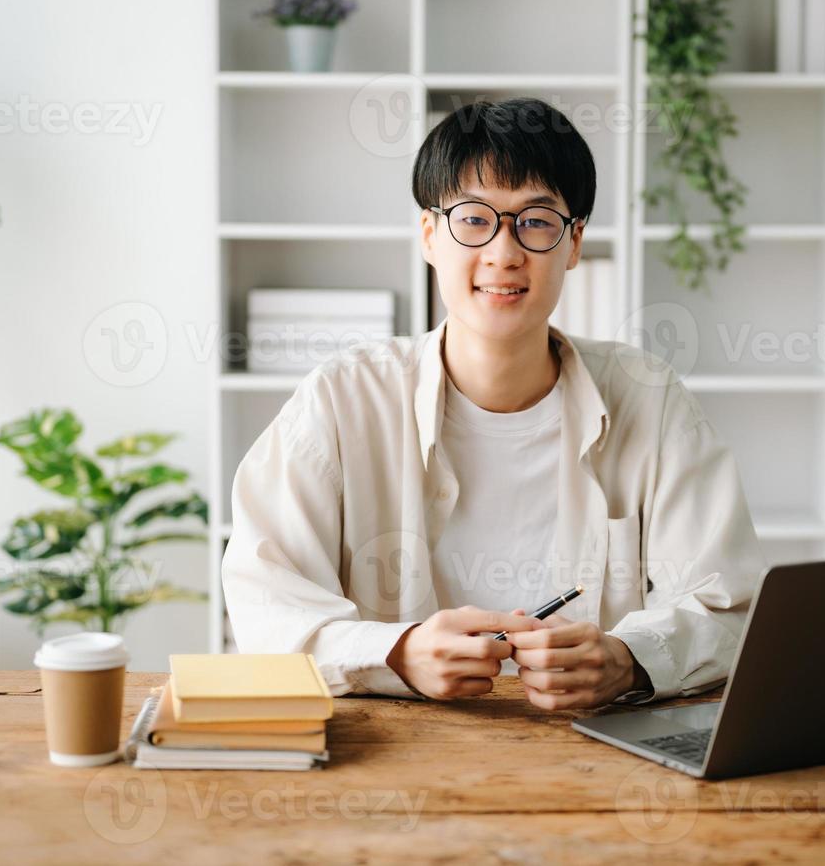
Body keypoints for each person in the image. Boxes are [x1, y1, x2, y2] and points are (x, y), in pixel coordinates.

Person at [222, 96, 763, 710]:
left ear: (575, 243)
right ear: (429, 235)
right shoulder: (343, 398)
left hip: (593, 760)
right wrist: (395, 652)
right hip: (390, 761)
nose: (504, 253)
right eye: (474, 219)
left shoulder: (649, 398)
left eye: (536, 221)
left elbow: (732, 607)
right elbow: (264, 603)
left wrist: (629, 660)